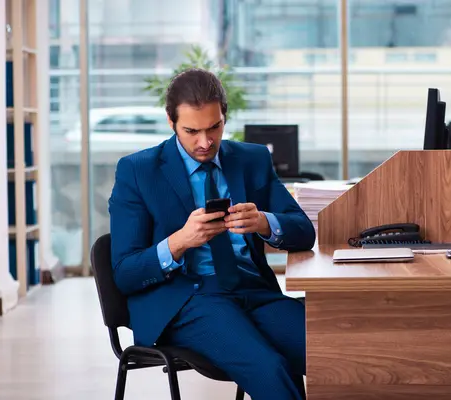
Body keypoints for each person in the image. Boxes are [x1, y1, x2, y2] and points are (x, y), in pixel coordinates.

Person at [108, 68, 315, 400]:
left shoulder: (252, 159)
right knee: (269, 367)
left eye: (214, 128)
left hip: (253, 292)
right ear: (170, 121)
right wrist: (180, 241)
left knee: (334, 350)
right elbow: (124, 274)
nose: (205, 143)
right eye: (191, 131)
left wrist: (264, 222)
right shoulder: (137, 171)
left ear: (224, 117)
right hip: (188, 300)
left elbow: (303, 232)